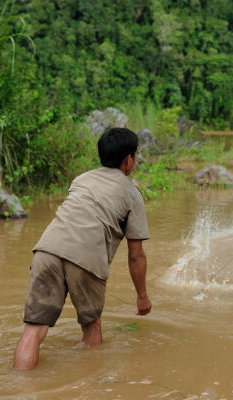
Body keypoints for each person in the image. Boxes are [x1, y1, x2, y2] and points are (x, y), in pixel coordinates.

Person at [13, 127, 152, 371]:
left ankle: (21, 387)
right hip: (86, 256)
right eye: (135, 156)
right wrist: (142, 297)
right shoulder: (132, 194)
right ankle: (89, 386)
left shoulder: (82, 179)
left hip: (47, 249)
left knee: (33, 330)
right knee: (92, 326)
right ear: (129, 160)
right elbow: (135, 255)